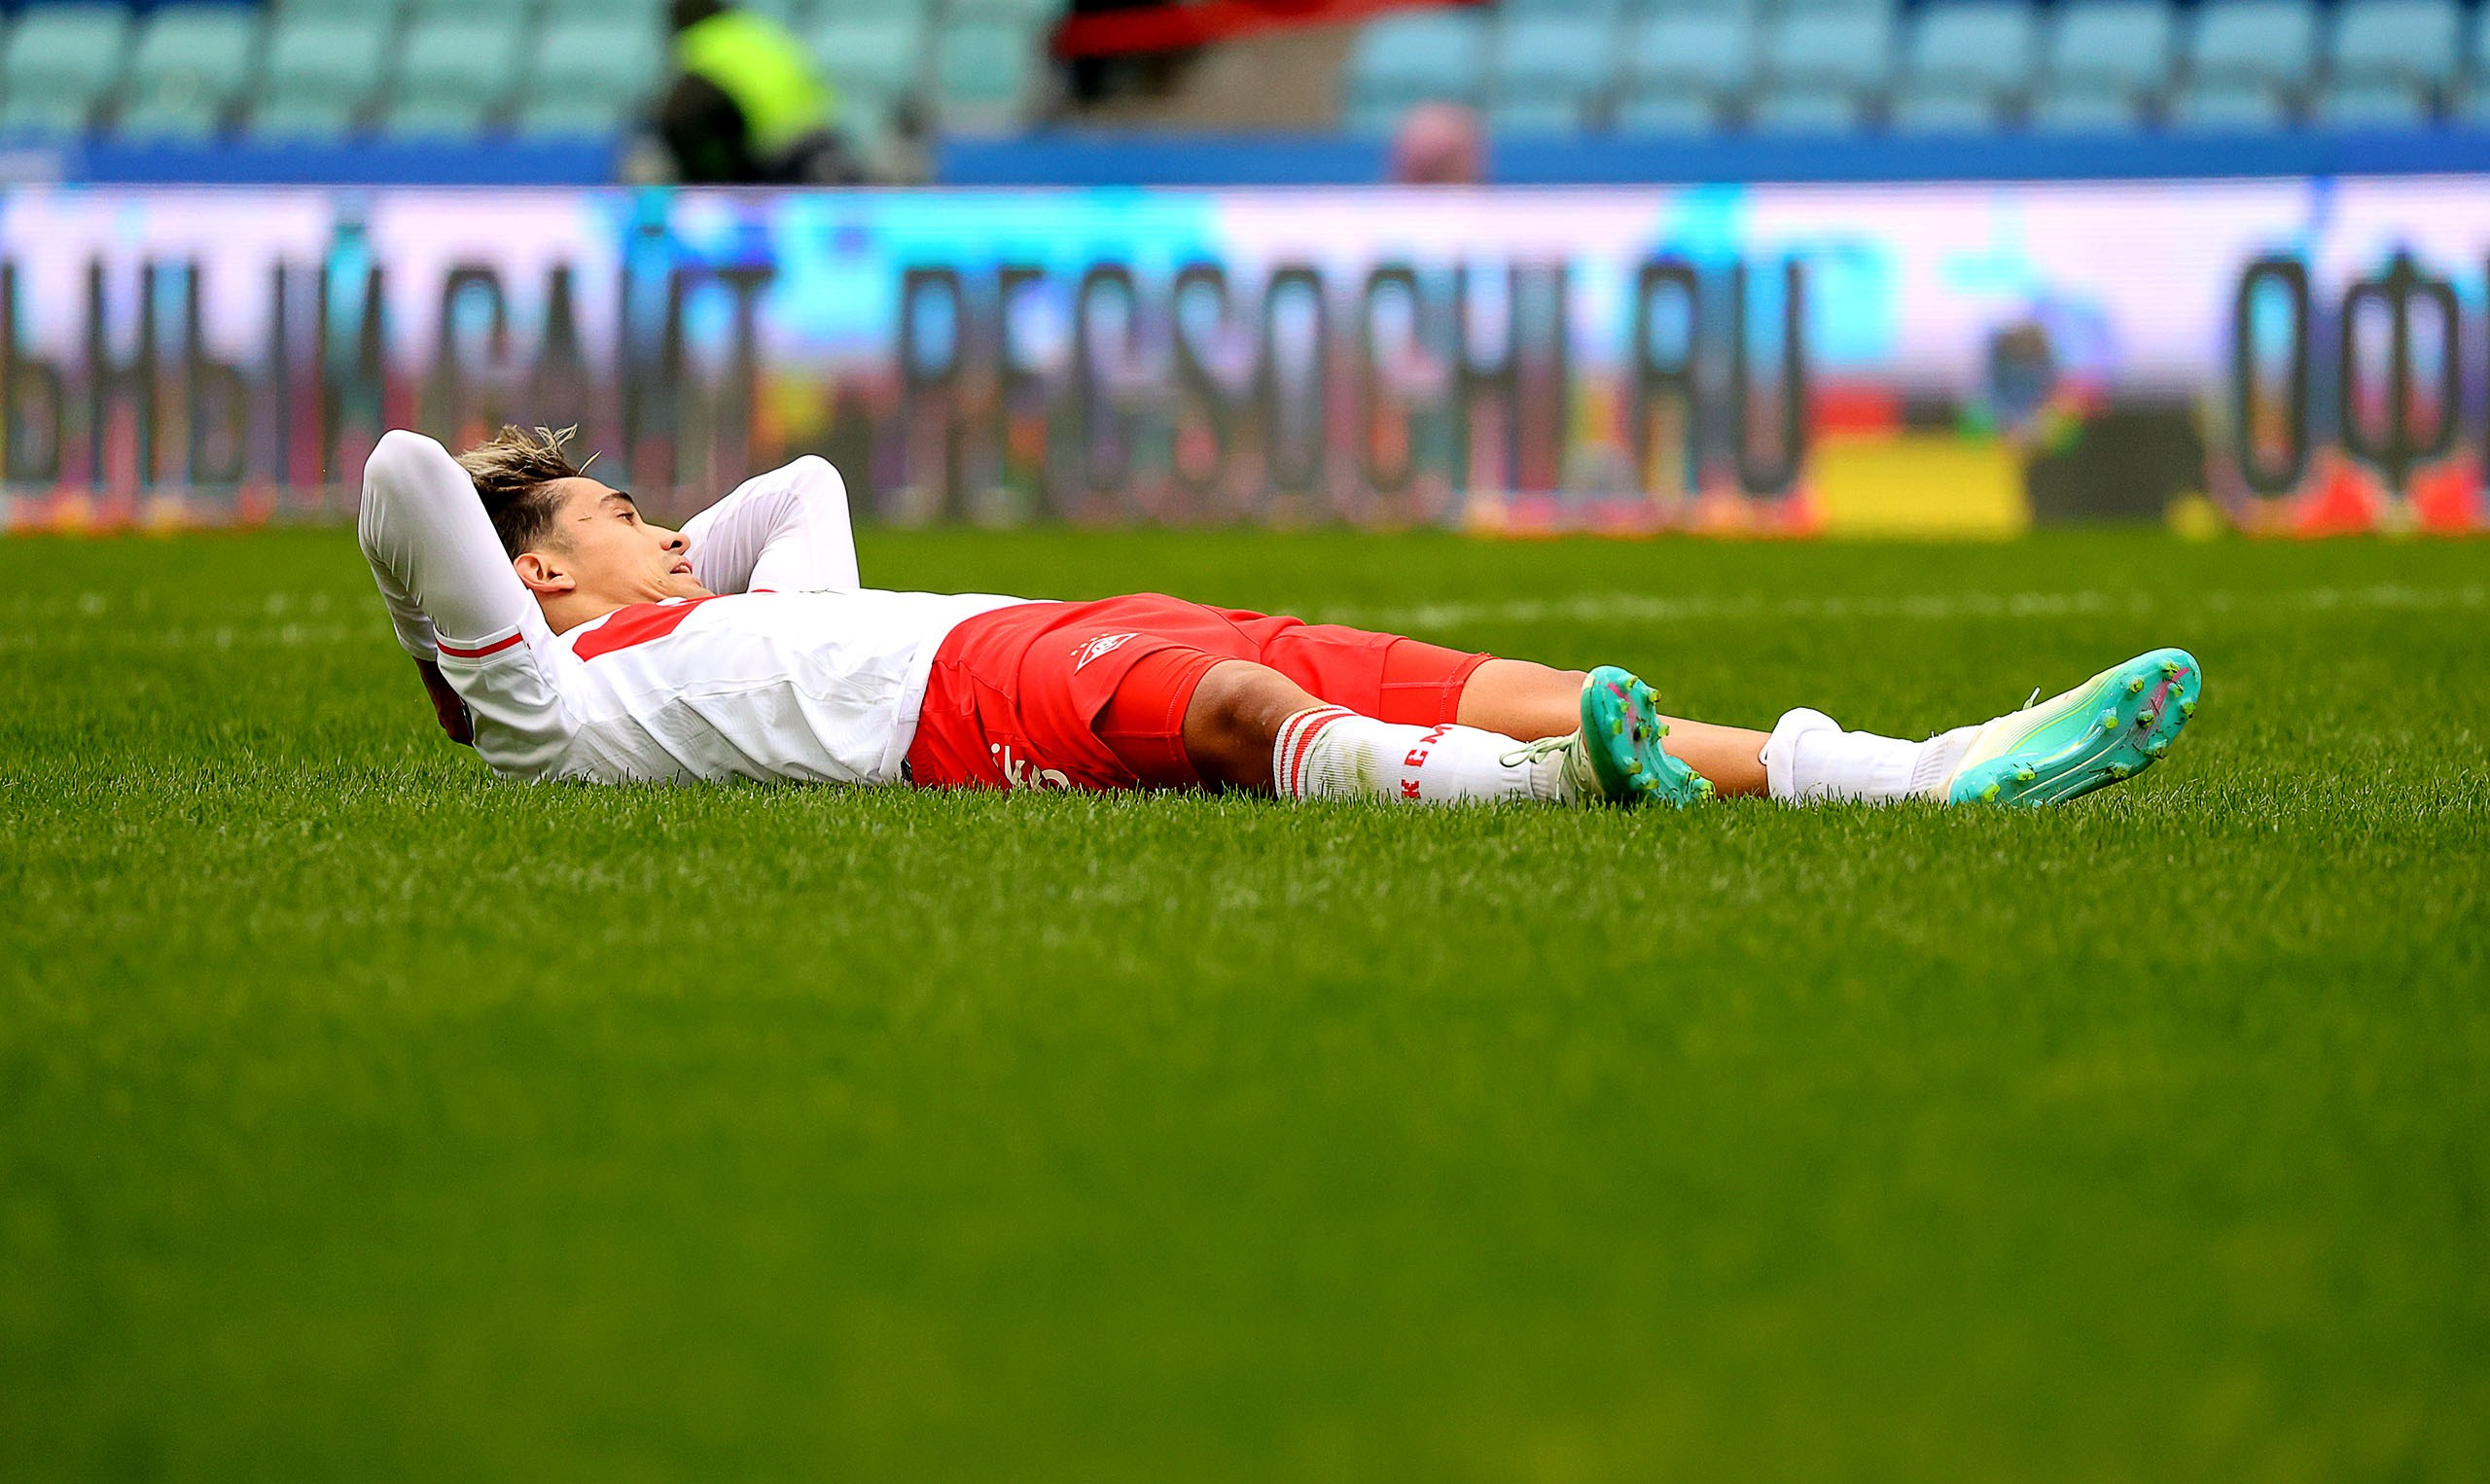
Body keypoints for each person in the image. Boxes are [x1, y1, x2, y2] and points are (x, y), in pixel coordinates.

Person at [355, 426, 2202, 810]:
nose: (674, 529)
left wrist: (606, 534)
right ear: (523, 577)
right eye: (619, 514)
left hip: (1049, 617)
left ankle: (1924, 772)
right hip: (971, 698)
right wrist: (467, 632)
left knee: (1530, 678)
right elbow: (404, 474)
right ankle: (1560, 794)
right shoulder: (551, 718)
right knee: (1240, 707)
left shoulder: (717, 617)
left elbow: (806, 490)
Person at [658, 0, 858, 185]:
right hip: (821, 132)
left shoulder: (699, 44)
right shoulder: (754, 29)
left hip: (778, 149)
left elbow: (679, 114)